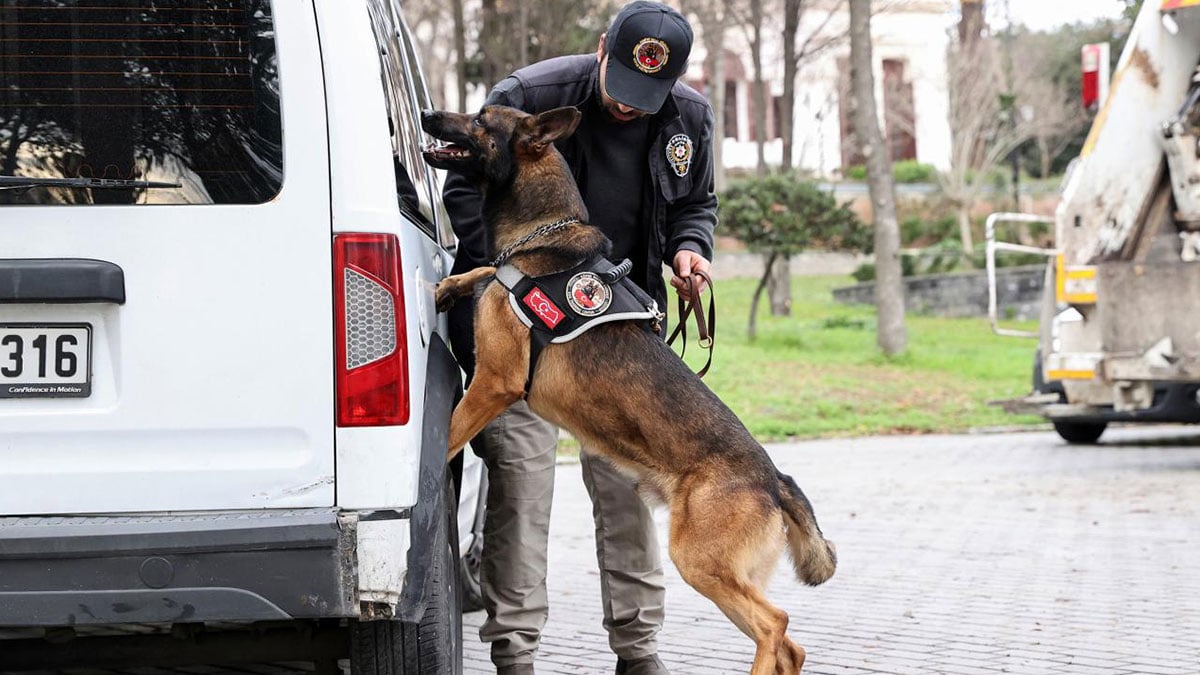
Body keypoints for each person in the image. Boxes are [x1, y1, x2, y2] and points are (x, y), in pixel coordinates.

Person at [442, 2, 717, 673]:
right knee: (521, 486)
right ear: (601, 50)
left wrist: (689, 249)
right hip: (525, 331)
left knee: (628, 487)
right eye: (621, 90)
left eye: (646, 99)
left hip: (616, 338)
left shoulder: (689, 117)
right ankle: (514, 651)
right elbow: (463, 191)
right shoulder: (529, 100)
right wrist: (508, 288)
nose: (630, 108)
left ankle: (639, 649)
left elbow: (695, 203)